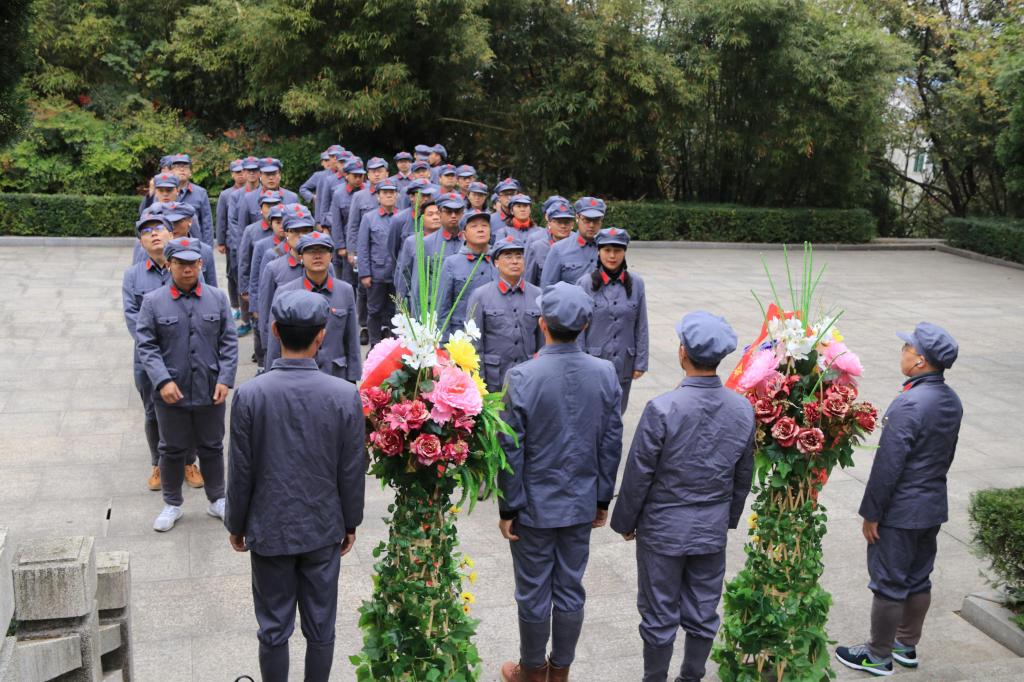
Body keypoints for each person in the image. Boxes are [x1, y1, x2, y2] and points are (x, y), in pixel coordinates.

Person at [225, 289, 366, 682]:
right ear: (322, 335)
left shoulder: (250, 394)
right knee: (321, 626)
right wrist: (350, 521)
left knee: (273, 626)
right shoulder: (344, 395)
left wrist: (236, 523)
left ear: (274, 330)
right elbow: (352, 469)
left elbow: (241, 469)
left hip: (270, 528)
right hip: (322, 526)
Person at [610, 311, 755, 682]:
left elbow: (639, 473)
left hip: (663, 529)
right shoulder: (742, 408)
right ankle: (691, 676)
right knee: (704, 610)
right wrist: (727, 519)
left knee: (659, 613)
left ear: (682, 353)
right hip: (711, 527)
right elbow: (743, 475)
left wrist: (626, 521)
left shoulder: (663, 408)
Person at [498, 281, 624, 682]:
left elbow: (510, 448)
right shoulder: (605, 373)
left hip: (534, 506)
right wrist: (602, 499)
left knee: (533, 589)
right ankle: (560, 669)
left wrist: (508, 506)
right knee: (570, 587)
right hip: (580, 501)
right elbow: (611, 441)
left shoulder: (521, 376)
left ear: (542, 324)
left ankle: (532, 670)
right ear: (584, 325)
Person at [835, 322, 962, 678]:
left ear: (921, 361)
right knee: (919, 578)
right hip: (931, 505)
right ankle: (905, 645)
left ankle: (878, 655)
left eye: (907, 348)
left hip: (901, 511)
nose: (902, 352)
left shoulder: (908, 403)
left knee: (888, 583)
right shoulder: (951, 400)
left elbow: (888, 466)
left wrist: (871, 513)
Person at [135, 237, 238, 532]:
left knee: (212, 445)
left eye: (192, 263)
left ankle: (217, 498)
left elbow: (229, 343)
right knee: (170, 448)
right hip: (171, 391)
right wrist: (162, 380)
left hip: (210, 388)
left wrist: (225, 379)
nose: (187, 269)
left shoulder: (217, 298)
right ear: (169, 264)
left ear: (201, 264)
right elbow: (146, 345)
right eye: (180, 263)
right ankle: (172, 503)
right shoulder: (153, 302)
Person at [264, 232, 361, 381]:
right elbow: (274, 341)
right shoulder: (285, 292)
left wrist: (353, 378)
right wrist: (271, 377)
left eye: (322, 251)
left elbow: (352, 338)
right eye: (310, 251)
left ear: (331, 256)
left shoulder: (345, 290)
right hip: (297, 377)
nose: (317, 256)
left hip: (335, 375)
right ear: (301, 257)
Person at [577, 228, 648, 413]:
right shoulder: (585, 284)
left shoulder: (637, 283)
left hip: (624, 361)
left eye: (617, 250)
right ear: (598, 252)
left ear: (624, 252)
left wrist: (641, 362)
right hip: (593, 362)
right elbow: (579, 329)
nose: (612, 256)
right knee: (592, 412)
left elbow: (641, 325)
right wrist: (578, 361)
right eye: (607, 250)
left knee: (618, 412)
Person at [466, 236, 543, 392]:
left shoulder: (538, 295)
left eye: (519, 256)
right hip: (494, 380)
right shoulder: (480, 296)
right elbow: (474, 346)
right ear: (496, 262)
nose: (515, 261)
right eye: (508, 256)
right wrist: (478, 386)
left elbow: (543, 343)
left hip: (529, 378)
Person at [257, 204, 317, 361]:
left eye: (306, 231)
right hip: (286, 347)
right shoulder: (273, 267)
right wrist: (267, 348)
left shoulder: (324, 266)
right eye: (295, 231)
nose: (301, 236)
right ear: (286, 232)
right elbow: (266, 311)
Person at [346, 157, 390, 344]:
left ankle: (386, 329)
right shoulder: (360, 196)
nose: (377, 174)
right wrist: (351, 251)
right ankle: (365, 327)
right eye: (373, 171)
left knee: (388, 298)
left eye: (380, 170)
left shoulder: (396, 194)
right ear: (368, 175)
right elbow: (353, 225)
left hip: (385, 255)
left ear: (387, 173)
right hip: (365, 253)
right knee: (365, 291)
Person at [436, 209, 496, 340]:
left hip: (495, 335)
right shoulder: (451, 263)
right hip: (461, 335)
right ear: (464, 235)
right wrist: (444, 342)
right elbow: (442, 307)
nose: (481, 230)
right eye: (474, 226)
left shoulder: (499, 261)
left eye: (485, 225)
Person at [357, 180, 399, 346]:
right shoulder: (369, 218)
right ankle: (375, 344)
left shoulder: (401, 217)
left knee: (395, 311)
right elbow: (363, 247)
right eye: (384, 193)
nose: (389, 195)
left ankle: (393, 346)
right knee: (374, 310)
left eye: (392, 192)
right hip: (376, 274)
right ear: (378, 196)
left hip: (397, 274)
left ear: (396, 195)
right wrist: (364, 273)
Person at [135, 203, 218, 288]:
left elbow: (211, 287)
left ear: (189, 221)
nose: (173, 226)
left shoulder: (204, 250)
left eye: (178, 222)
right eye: (168, 222)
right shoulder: (150, 250)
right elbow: (136, 279)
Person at [237, 192, 285, 338]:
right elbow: (245, 262)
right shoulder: (251, 231)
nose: (271, 209)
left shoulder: (289, 233)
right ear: (261, 209)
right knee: (261, 328)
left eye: (275, 205)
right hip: (259, 286)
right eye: (268, 206)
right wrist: (245, 290)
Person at [540, 196, 605, 287]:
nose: (591, 225)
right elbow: (547, 287)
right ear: (577, 218)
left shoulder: (609, 249)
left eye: (596, 220)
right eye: (586, 220)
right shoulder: (559, 249)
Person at [393, 193, 441, 308]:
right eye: (430, 214)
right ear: (422, 219)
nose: (435, 217)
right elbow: (404, 273)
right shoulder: (412, 242)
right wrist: (401, 305)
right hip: (417, 300)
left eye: (438, 214)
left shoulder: (448, 242)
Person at [236, 158, 300, 230]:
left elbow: (298, 226)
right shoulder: (248, 199)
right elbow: (242, 229)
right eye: (267, 174)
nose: (271, 178)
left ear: (279, 175)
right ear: (260, 175)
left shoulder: (292, 198)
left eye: (274, 174)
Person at [217, 159, 245, 319]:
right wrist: (221, 242)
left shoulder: (255, 193)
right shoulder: (226, 195)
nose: (241, 175)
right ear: (232, 174)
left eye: (242, 171)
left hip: (248, 240)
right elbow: (221, 219)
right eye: (237, 172)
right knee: (232, 274)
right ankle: (235, 305)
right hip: (231, 241)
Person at [524, 200, 575, 286]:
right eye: (558, 222)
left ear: (572, 224)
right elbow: (529, 282)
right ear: (549, 223)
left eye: (566, 222)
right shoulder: (537, 247)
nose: (563, 226)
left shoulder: (579, 246)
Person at [168, 154, 214, 246]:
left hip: (193, 245)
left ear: (190, 172)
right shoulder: (164, 192)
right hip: (170, 244)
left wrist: (207, 248)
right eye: (178, 166)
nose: (182, 169)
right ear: (171, 172)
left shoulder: (200, 193)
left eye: (185, 167)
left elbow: (207, 224)